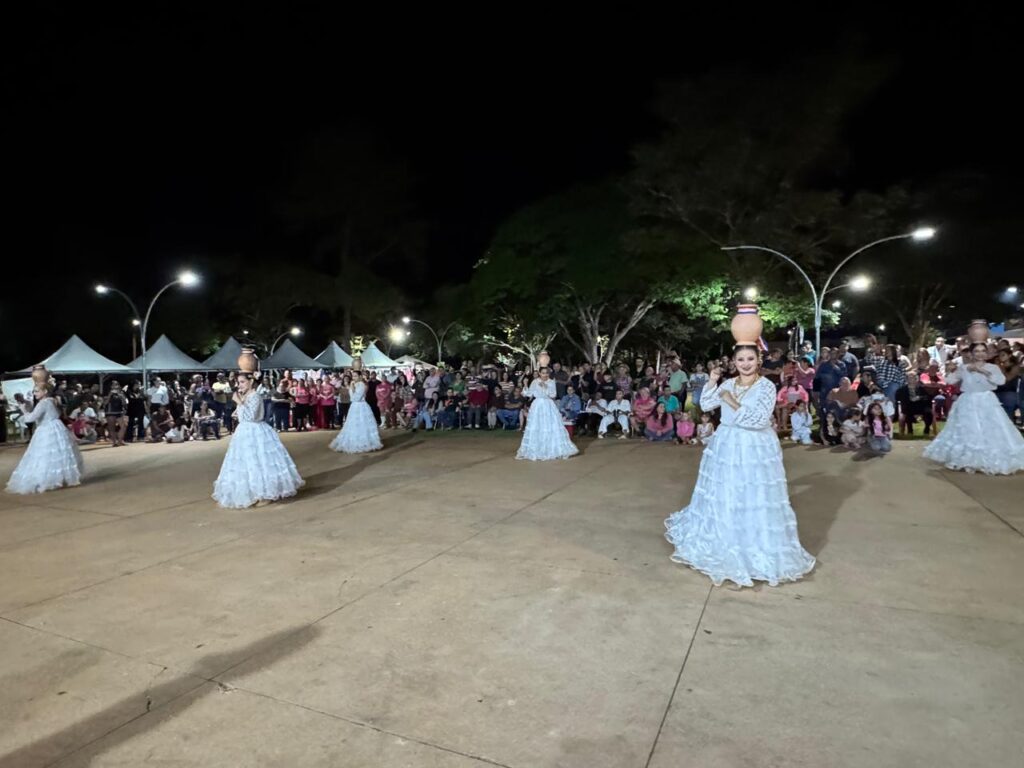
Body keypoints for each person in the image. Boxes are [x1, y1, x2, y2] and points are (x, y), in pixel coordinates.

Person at [665, 337, 815, 587]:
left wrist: (733, 401)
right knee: (726, 490)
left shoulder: (766, 386)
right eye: (740, 359)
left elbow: (757, 420)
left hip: (755, 446)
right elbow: (707, 403)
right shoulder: (728, 382)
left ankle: (752, 547)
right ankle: (722, 538)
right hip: (727, 442)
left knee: (752, 492)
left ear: (758, 360)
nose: (745, 364)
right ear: (733, 362)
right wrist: (713, 381)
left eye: (750, 359)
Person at [923, 342, 1024, 474]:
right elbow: (950, 381)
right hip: (968, 401)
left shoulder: (993, 367)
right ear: (971, 354)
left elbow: (1000, 381)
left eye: (983, 351)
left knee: (991, 429)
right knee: (968, 429)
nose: (980, 354)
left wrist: (982, 371)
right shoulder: (964, 368)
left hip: (987, 401)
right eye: (977, 351)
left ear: (987, 353)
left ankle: (989, 460)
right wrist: (950, 370)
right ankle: (967, 460)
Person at [212, 372, 304, 508]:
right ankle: (254, 492)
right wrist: (238, 407)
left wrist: (239, 403)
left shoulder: (255, 395)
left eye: (242, 382)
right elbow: (241, 415)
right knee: (248, 463)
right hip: (244, 432)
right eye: (239, 382)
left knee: (260, 462)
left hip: (256, 431)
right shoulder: (245, 396)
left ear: (251, 382)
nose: (239, 385)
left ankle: (266, 494)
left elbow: (252, 417)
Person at [6, 380, 84, 494]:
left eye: (37, 391)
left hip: (46, 429)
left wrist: (23, 410)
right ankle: (60, 478)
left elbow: (30, 418)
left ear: (45, 391)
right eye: (34, 391)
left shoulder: (44, 403)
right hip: (56, 427)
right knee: (58, 454)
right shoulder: (52, 400)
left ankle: (47, 479)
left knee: (44, 454)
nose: (35, 393)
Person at [516, 367, 579, 460]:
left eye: (546, 373)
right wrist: (525, 384)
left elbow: (553, 395)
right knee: (537, 426)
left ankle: (552, 449)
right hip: (537, 406)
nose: (545, 375)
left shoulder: (551, 382)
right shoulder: (535, 381)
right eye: (543, 373)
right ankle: (535, 449)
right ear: (540, 373)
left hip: (548, 405)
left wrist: (545, 387)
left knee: (549, 426)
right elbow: (528, 394)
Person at [329, 372, 383, 453]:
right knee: (353, 424)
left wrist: (351, 388)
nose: (354, 378)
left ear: (360, 376)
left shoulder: (361, 384)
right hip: (354, 406)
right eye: (353, 376)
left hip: (361, 406)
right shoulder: (354, 384)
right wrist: (352, 387)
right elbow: (352, 397)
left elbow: (356, 398)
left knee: (362, 424)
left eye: (356, 376)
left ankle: (364, 442)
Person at [104, 382, 127, 447]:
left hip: (119, 411)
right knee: (112, 427)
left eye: (116, 385)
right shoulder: (107, 392)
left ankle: (120, 440)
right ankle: (114, 442)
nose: (115, 386)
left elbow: (124, 402)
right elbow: (105, 403)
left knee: (123, 426)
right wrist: (110, 394)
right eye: (113, 385)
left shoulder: (120, 393)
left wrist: (121, 396)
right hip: (110, 411)